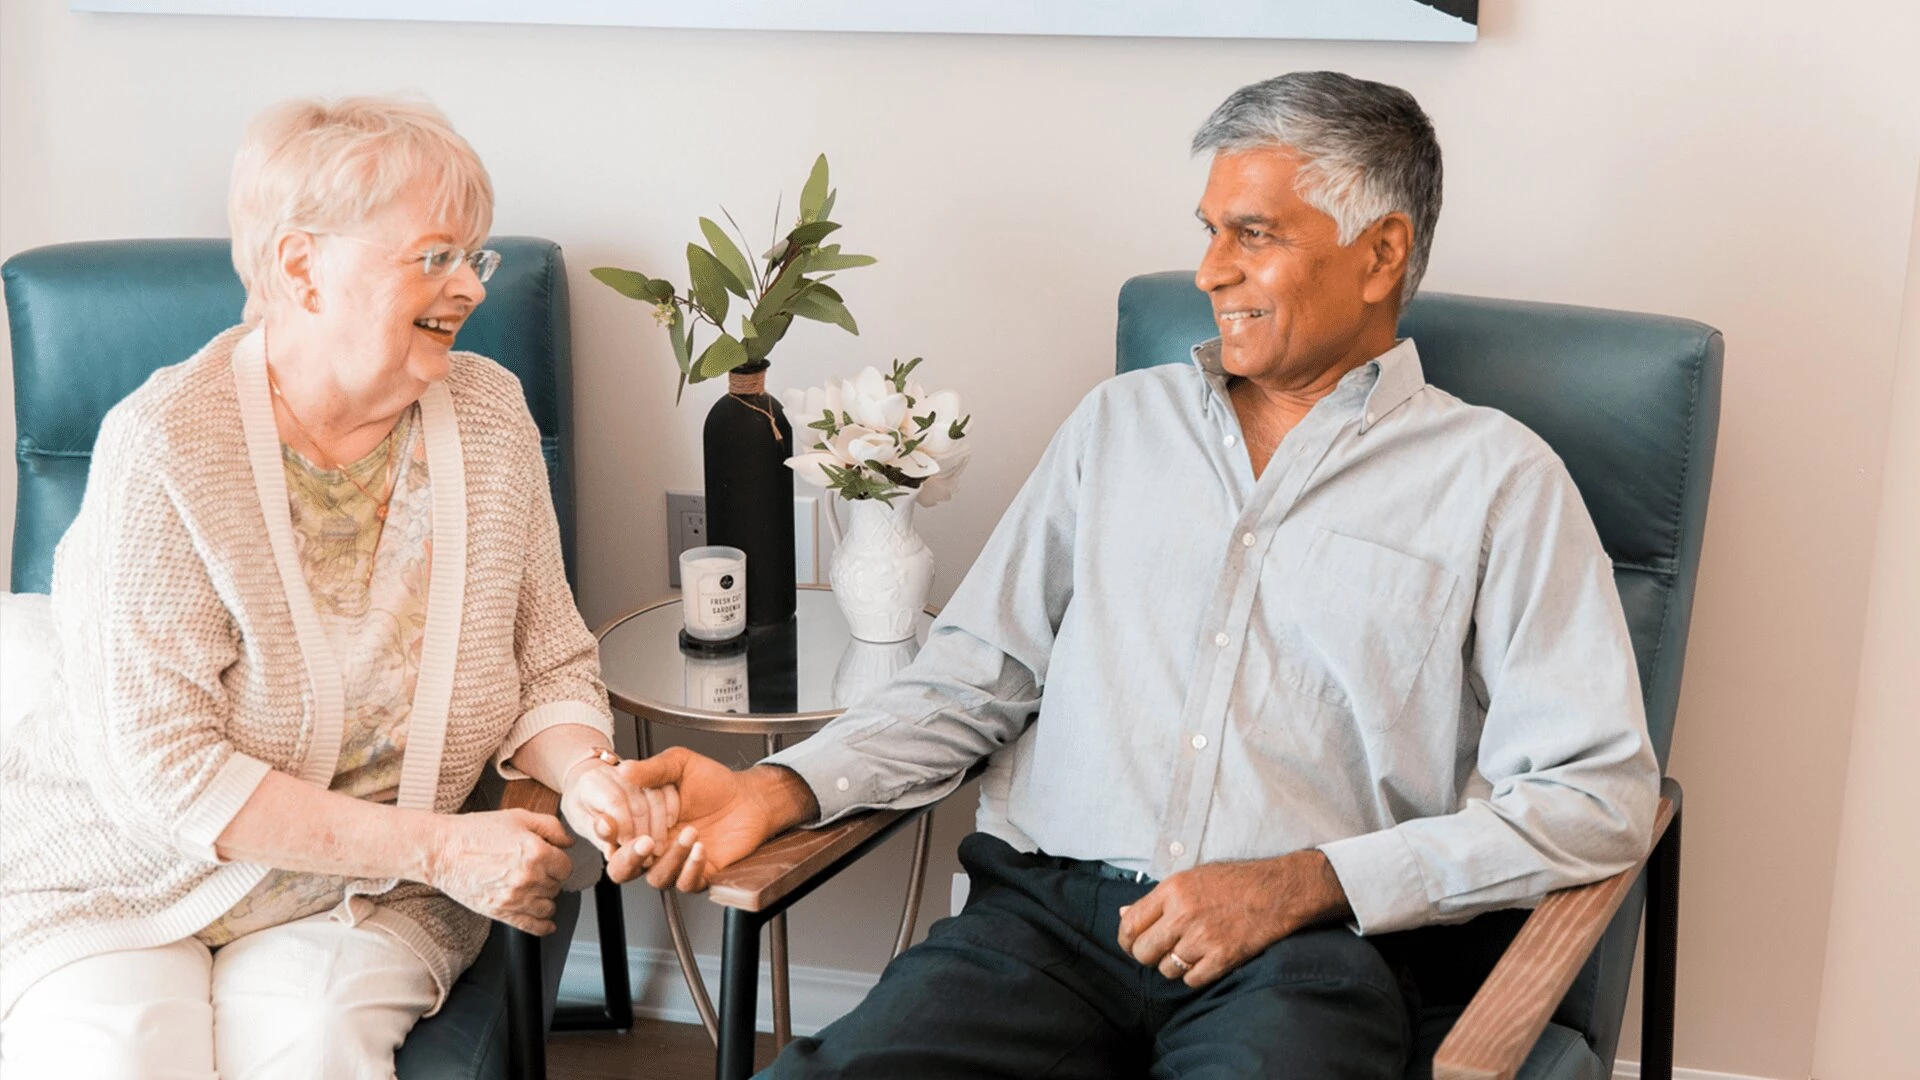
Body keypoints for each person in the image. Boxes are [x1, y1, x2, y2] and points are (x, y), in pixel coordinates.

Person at [629, 70, 1662, 1077]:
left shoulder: (1499, 482)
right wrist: (779, 787)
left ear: (1381, 252)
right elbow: (972, 680)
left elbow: (1598, 795)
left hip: (1304, 961)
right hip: (1041, 932)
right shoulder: (1118, 426)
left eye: (1253, 234)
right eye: (1209, 230)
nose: (1211, 270)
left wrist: (1309, 884)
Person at [0, 97, 673, 1079]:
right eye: (435, 255)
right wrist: (443, 849)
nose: (471, 289)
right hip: (127, 878)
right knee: (119, 1052)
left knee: (313, 1039)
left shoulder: (488, 419)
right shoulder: (165, 446)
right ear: (302, 268)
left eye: (475, 258)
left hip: (368, 895)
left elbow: (549, 663)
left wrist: (590, 772)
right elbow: (164, 771)